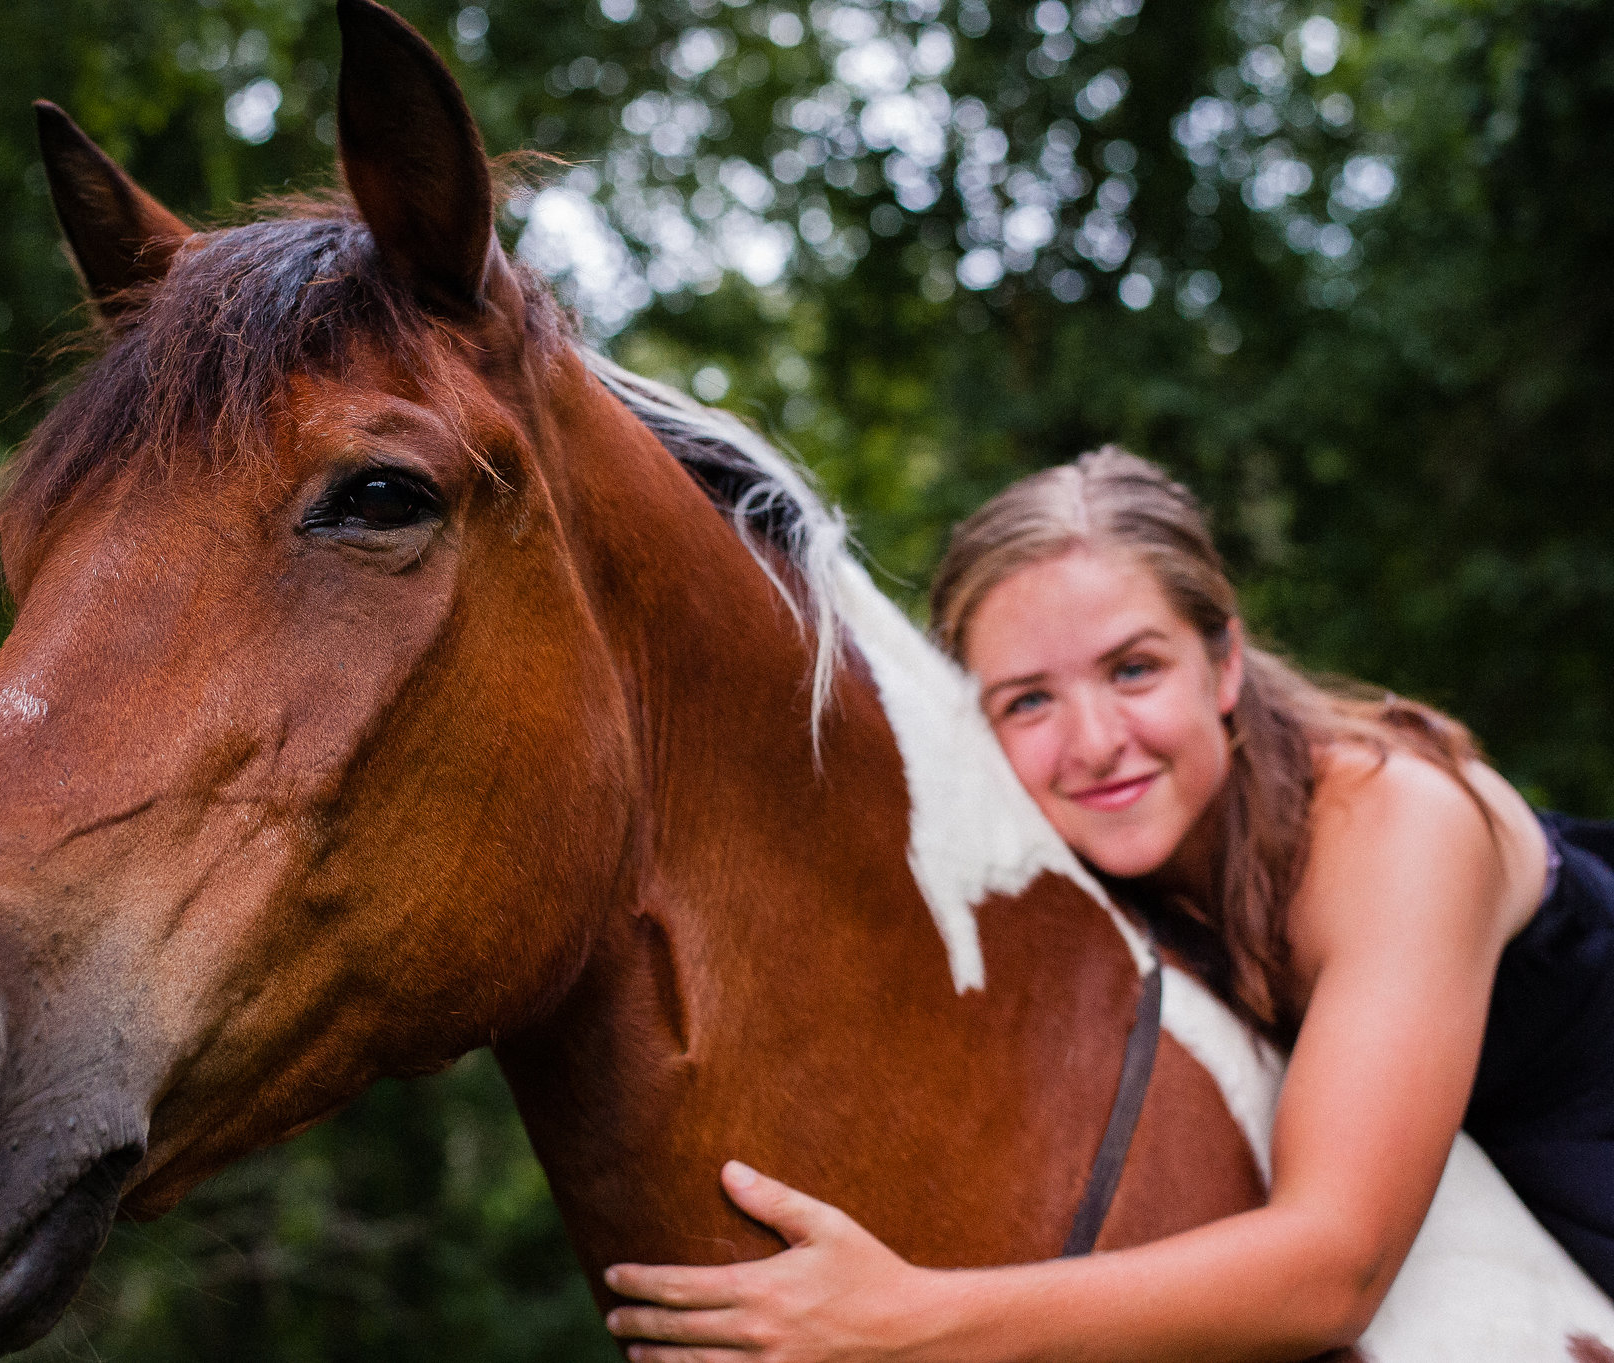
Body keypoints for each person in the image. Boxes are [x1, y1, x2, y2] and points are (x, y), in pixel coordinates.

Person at [604, 447, 1614, 1361]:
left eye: (1133, 669)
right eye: (1027, 699)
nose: (1091, 742)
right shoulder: (1039, 841)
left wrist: (900, 1317)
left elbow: (1333, 1269)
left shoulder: (1391, 825)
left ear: (1221, 662)